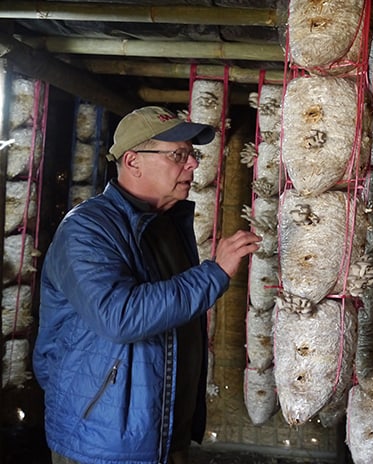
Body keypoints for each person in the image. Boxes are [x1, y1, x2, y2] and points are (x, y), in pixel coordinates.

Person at [33, 106, 261, 464]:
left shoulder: (165, 225)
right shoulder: (87, 230)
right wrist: (213, 272)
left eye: (192, 155)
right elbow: (119, 316)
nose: (193, 165)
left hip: (162, 432)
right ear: (133, 160)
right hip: (102, 443)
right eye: (179, 155)